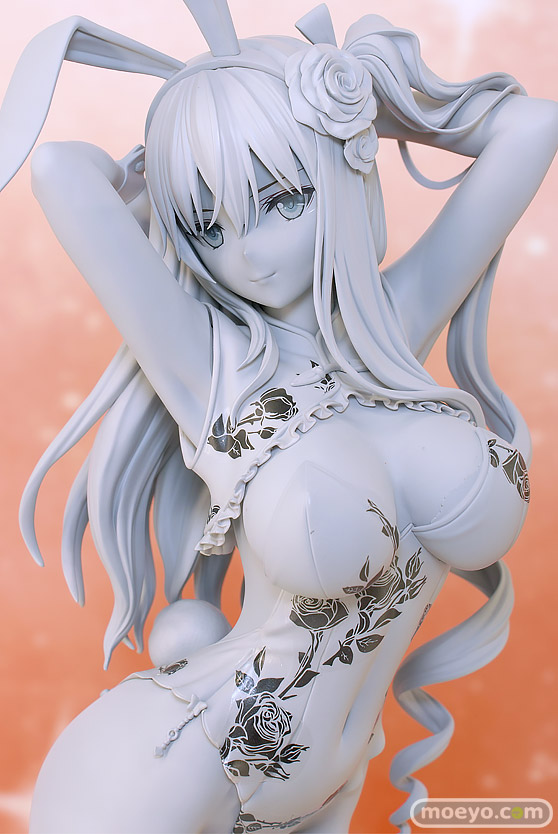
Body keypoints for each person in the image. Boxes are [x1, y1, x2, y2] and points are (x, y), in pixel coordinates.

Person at [1, 2, 556, 832]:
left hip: (329, 783)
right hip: (176, 759)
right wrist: (167, 159)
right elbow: (57, 172)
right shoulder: (209, 370)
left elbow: (532, 127)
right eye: (207, 223)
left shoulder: (393, 329)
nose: (247, 250)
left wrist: (352, 102)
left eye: (280, 196)